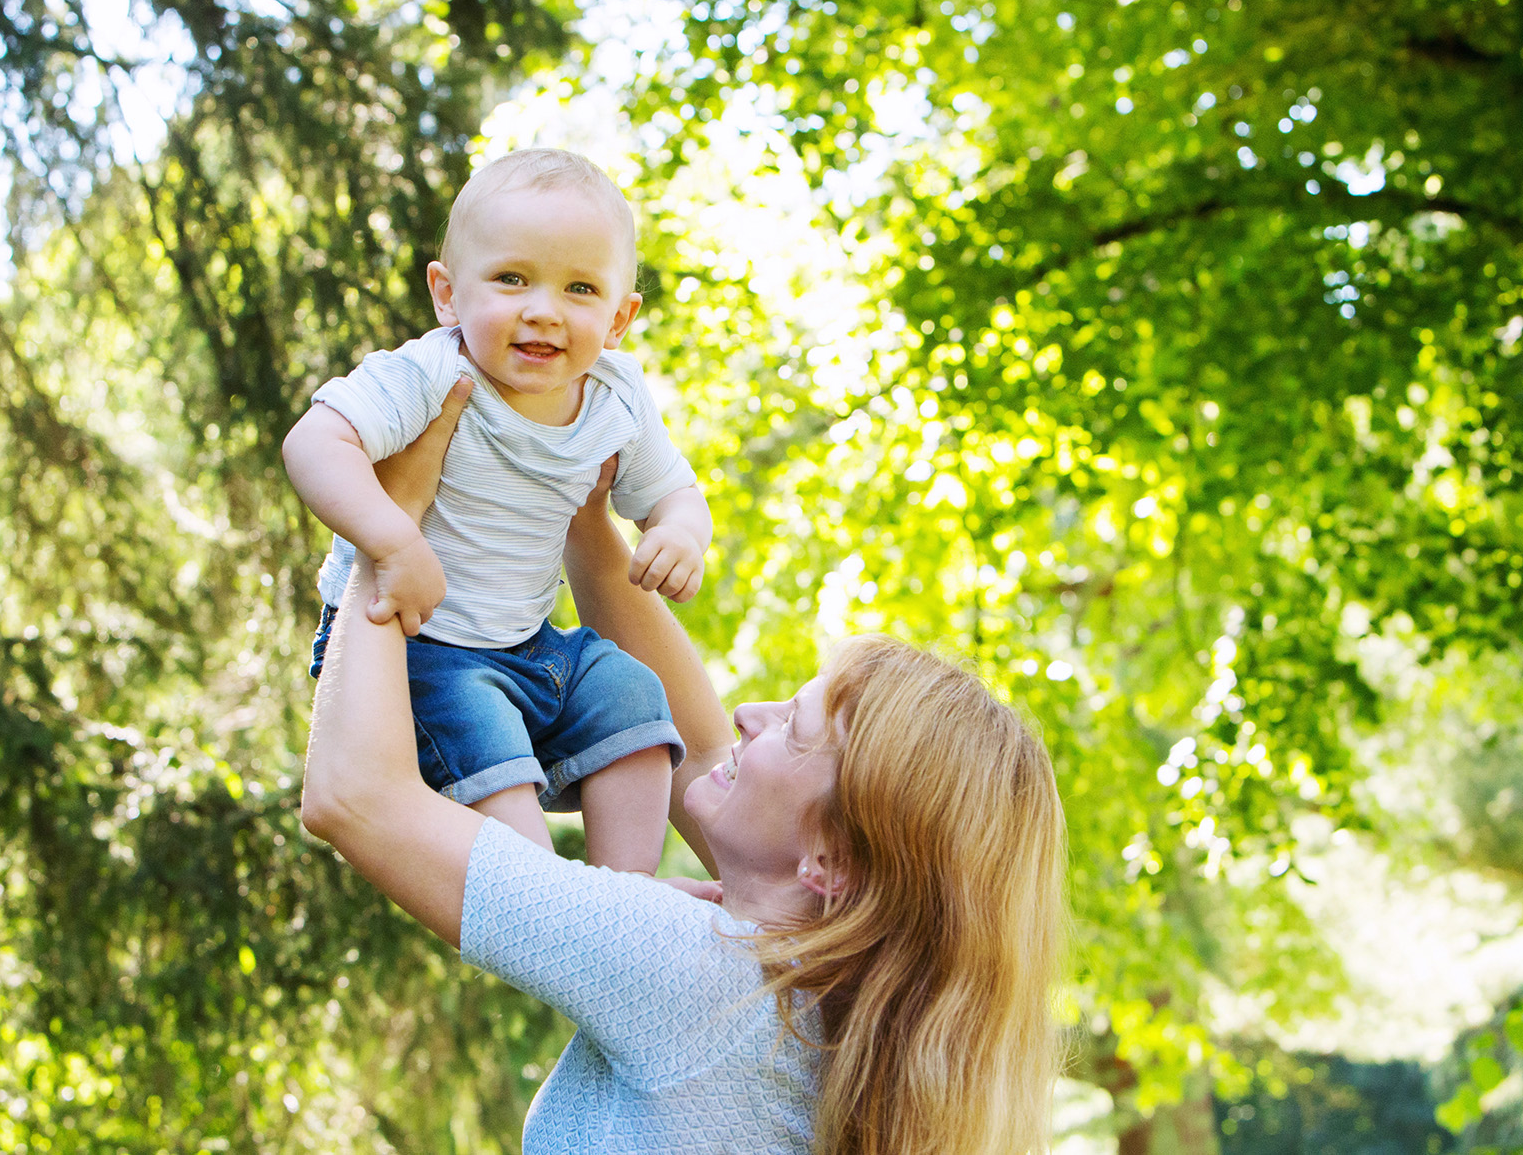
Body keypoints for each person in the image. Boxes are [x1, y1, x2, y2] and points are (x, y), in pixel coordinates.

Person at [298, 409, 1070, 1155]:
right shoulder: (838, 1025)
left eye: (793, 728)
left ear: (831, 862)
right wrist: (583, 509)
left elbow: (357, 796)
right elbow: (699, 753)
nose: (746, 714)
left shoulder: (705, 980)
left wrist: (389, 528)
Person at [282, 148, 713, 875]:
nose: (542, 309)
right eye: (512, 279)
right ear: (448, 295)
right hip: (419, 649)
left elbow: (676, 491)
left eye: (580, 288)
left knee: (632, 690)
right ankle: (542, 900)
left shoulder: (616, 395)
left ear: (619, 316)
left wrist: (679, 532)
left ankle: (625, 899)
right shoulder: (433, 371)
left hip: (528, 644)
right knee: (493, 756)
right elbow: (314, 440)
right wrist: (390, 540)